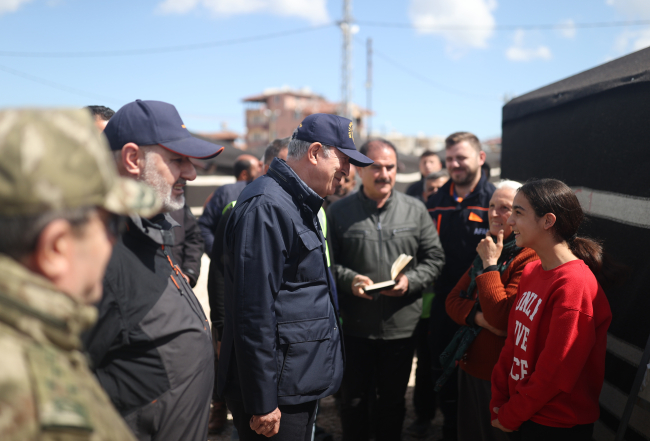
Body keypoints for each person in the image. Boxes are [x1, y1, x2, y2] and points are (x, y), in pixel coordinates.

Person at [0, 108, 160, 441]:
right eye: (111, 223)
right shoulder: (31, 401)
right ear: (56, 247)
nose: (114, 240)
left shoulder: (35, 337)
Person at [218, 113, 373, 440]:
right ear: (315, 153)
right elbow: (253, 311)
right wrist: (262, 400)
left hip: (294, 380)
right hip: (277, 393)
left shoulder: (297, 202)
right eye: (344, 160)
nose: (348, 173)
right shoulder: (268, 206)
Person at [83, 99, 224, 441]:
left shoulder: (145, 233)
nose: (190, 173)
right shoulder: (98, 255)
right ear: (132, 159)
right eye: (177, 160)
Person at [328, 138, 446, 441]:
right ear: (360, 168)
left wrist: (412, 281)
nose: (384, 174)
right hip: (355, 328)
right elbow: (327, 263)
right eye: (376, 167)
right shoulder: (339, 212)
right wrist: (349, 279)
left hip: (401, 328)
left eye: (390, 167)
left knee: (392, 403)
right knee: (353, 401)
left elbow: (435, 258)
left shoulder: (415, 210)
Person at [490, 179, 612, 441]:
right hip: (521, 413)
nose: (510, 221)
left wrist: (511, 414)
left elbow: (555, 372)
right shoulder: (533, 270)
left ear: (548, 221)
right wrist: (500, 400)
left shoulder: (574, 285)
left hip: (555, 425)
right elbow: (512, 344)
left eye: (518, 212)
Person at [442, 180, 539, 441]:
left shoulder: (527, 256)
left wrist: (489, 265)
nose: (495, 213)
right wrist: (479, 318)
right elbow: (451, 301)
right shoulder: (490, 247)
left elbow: (503, 317)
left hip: (499, 376)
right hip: (470, 365)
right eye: (491, 206)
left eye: (506, 208)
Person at [206, 138, 289, 434]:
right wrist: (220, 325)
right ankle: (218, 409)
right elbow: (219, 273)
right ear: (265, 167)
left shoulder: (306, 208)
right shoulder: (244, 205)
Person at [426, 131, 495, 440]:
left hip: (483, 306)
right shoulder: (434, 202)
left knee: (478, 376)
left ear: (480, 158)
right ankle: (449, 428)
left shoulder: (495, 202)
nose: (455, 164)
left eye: (461, 157)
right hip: (442, 302)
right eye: (450, 158)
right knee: (441, 369)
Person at [198, 153, 262, 254]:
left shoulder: (221, 191)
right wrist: (219, 256)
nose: (260, 171)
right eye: (257, 169)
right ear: (244, 175)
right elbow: (204, 226)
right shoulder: (224, 192)